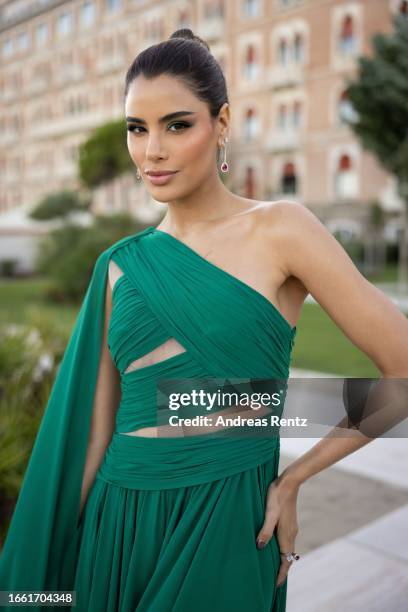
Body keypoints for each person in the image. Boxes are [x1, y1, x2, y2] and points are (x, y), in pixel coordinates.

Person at [1, 28, 407, 612]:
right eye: (136, 129)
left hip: (228, 518)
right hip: (118, 524)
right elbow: (95, 434)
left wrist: (293, 479)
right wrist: (52, 572)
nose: (152, 152)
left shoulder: (283, 230)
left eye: (176, 124)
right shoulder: (118, 267)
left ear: (221, 123)